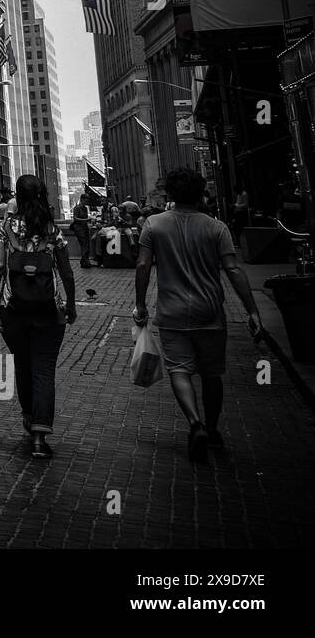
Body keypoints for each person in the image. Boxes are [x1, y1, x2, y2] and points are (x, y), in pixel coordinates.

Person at [135, 167, 263, 462]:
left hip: (171, 310)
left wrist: (140, 304)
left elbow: (142, 267)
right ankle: (214, 428)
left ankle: (195, 423)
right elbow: (232, 268)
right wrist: (252, 310)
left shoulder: (154, 225)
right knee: (211, 374)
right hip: (210, 311)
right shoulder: (216, 227)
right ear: (200, 193)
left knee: (179, 370)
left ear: (169, 194)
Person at [0, 174, 77, 459]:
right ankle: (40, 434)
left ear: (18, 196)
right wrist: (71, 304)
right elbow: (66, 272)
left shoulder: (3, 228)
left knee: (23, 366)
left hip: (12, 309)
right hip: (49, 309)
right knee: (44, 370)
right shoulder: (52, 229)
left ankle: (28, 415)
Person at [70, 198, 93, 269]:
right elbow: (75, 218)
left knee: (86, 245)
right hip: (79, 228)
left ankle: (84, 261)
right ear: (82, 200)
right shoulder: (77, 208)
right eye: (86, 200)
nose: (87, 202)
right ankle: (85, 261)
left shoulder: (85, 208)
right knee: (84, 244)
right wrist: (86, 220)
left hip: (84, 228)